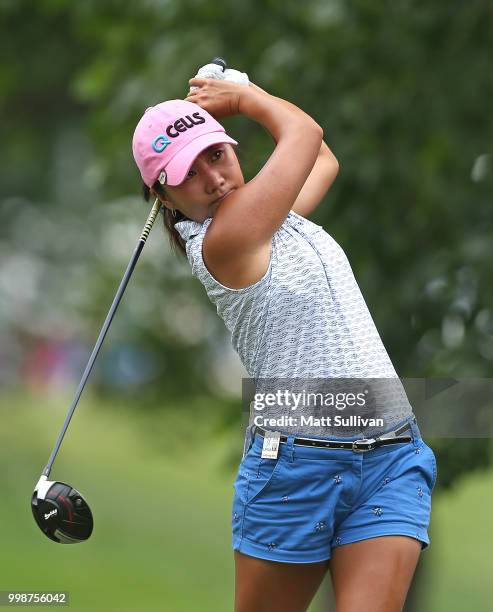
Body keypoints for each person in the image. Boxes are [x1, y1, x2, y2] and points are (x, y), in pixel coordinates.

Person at [132, 76, 437, 612]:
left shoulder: (276, 219)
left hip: (390, 451)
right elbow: (304, 131)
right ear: (165, 196)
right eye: (189, 172)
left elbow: (322, 158)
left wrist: (243, 86)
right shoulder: (226, 241)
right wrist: (244, 100)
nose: (213, 177)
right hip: (298, 466)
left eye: (216, 154)